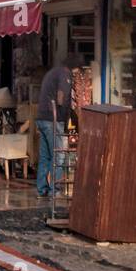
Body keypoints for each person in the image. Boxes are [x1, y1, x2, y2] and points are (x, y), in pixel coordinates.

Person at [35, 55, 81, 198]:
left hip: (42, 118)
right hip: (52, 119)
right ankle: (55, 190)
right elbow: (61, 96)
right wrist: (64, 117)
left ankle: (42, 189)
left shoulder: (53, 72)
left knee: (45, 156)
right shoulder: (64, 74)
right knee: (59, 155)